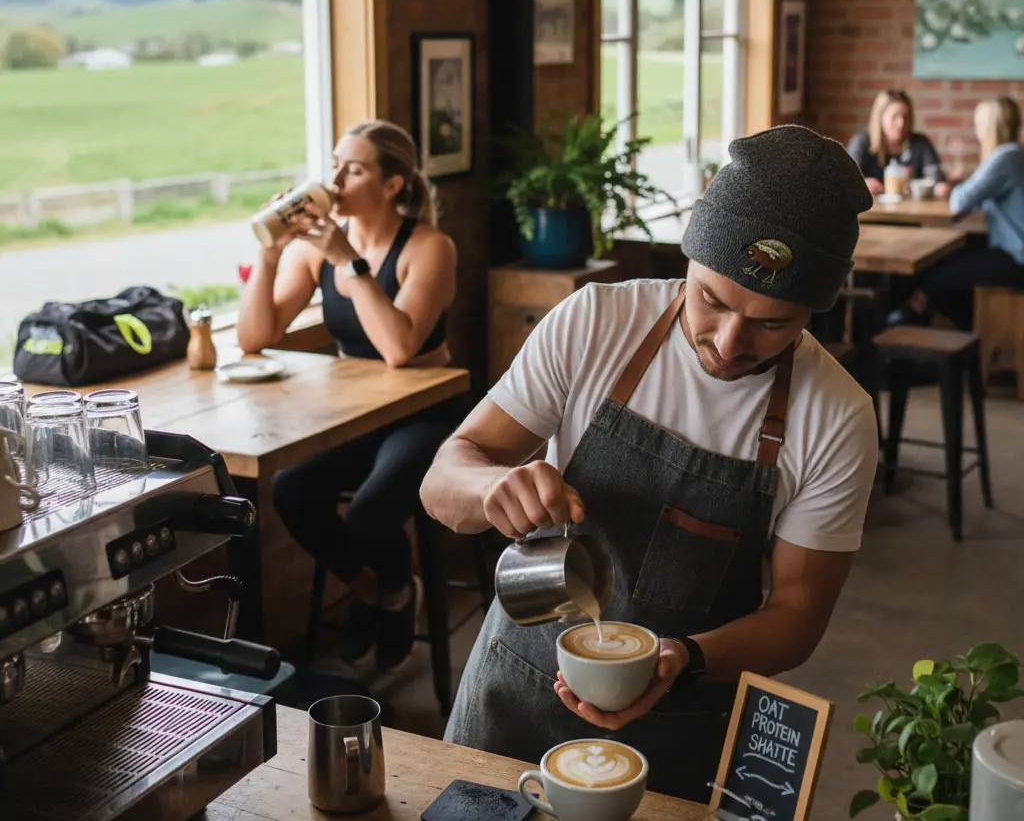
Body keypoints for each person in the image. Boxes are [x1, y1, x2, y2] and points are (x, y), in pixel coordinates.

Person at [420, 125, 879, 802]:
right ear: (687, 259)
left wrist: (688, 658)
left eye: (774, 323)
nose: (729, 342)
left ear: (818, 307)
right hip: (514, 695)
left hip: (680, 715)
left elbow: (797, 613)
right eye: (712, 300)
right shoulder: (596, 322)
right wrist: (492, 486)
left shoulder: (837, 416)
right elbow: (443, 481)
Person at [237, 119, 458, 671]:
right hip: (359, 413)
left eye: (354, 169)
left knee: (369, 513)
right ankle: (372, 590)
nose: (334, 179)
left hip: (427, 410)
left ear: (392, 185)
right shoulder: (317, 250)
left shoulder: (430, 247)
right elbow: (254, 337)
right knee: (290, 491)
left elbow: (399, 349)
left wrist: (349, 264)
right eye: (334, 164)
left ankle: (398, 596)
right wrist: (269, 255)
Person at [887, 97, 1024, 330]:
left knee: (940, 272)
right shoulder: (1015, 155)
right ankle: (954, 326)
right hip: (1010, 251)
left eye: (980, 125)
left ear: (991, 127)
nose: (978, 131)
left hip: (1016, 258)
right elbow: (982, 199)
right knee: (949, 254)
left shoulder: (1004, 157)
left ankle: (912, 310)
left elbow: (959, 202)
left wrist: (955, 188)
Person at [847, 89, 950, 197]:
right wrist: (862, 184)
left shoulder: (920, 143)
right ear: (880, 117)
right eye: (894, 117)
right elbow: (846, 179)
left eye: (906, 117)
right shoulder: (862, 142)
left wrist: (939, 185)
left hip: (913, 210)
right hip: (872, 211)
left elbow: (936, 176)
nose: (901, 123)